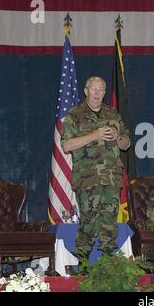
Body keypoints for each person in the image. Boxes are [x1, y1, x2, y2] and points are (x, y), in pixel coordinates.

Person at [61, 76, 130, 263]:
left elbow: (126, 144)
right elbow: (67, 145)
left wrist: (117, 136)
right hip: (88, 178)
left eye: (101, 90)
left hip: (111, 177)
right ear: (86, 91)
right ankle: (82, 263)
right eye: (93, 89)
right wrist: (95, 135)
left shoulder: (112, 114)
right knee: (89, 222)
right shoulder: (75, 115)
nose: (97, 93)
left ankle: (109, 263)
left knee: (109, 223)